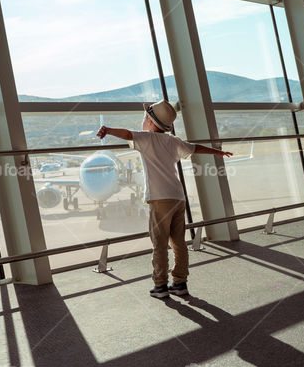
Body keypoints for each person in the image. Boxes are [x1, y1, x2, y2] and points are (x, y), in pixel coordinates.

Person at [96, 100, 232, 298]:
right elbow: (195, 148)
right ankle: (180, 282)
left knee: (159, 243)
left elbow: (127, 134)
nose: (142, 121)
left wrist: (107, 130)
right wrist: (217, 152)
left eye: (145, 117)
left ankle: (160, 286)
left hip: (160, 199)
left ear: (150, 122)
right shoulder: (173, 140)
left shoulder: (146, 139)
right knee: (178, 242)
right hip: (178, 197)